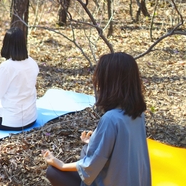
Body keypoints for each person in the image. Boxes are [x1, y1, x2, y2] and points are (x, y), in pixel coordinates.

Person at [43, 52, 151, 186]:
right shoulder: (138, 114)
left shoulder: (111, 119)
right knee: (85, 150)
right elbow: (122, 152)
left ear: (110, 83)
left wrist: (61, 164)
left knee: (53, 172)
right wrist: (94, 141)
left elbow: (91, 165)